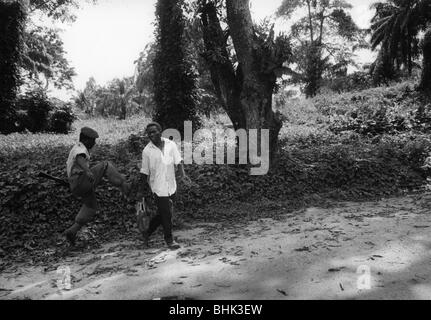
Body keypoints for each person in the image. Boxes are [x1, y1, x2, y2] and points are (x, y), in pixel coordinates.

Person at [64, 127, 131, 246]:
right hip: (80, 181)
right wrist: (87, 170)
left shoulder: (76, 148)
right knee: (105, 165)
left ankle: (72, 231)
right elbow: (80, 159)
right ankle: (124, 185)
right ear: (85, 139)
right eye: (92, 140)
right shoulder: (80, 148)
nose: (94, 143)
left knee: (91, 207)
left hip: (76, 185)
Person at [138, 122, 191, 249]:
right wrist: (140, 190)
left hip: (171, 185)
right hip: (158, 187)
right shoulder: (147, 151)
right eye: (149, 133)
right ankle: (169, 240)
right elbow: (144, 171)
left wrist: (182, 174)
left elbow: (178, 160)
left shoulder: (170, 144)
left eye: (154, 132)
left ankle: (146, 233)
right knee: (166, 213)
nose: (151, 135)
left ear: (160, 131)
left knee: (164, 214)